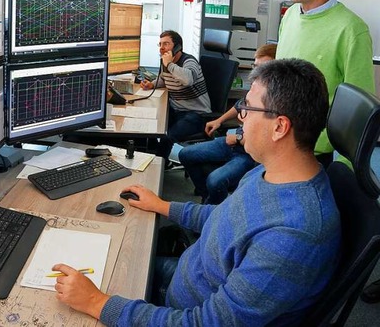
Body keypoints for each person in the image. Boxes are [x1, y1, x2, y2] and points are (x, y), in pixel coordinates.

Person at [51, 59, 341, 326]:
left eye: (248, 108)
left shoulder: (294, 235)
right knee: (103, 256)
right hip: (185, 278)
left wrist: (97, 303)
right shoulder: (269, 171)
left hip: (181, 311)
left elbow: (205, 323)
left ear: (279, 127)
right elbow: (226, 217)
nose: (241, 117)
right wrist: (163, 206)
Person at [277, 0, 375, 166]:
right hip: (279, 142)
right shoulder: (290, 15)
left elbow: (360, 112)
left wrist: (346, 170)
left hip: (315, 154)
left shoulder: (352, 29)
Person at [179, 43, 277, 204]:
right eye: (255, 66)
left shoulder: (277, 99)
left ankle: (214, 210)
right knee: (185, 154)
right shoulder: (258, 87)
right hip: (233, 141)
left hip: (249, 153)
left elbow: (267, 139)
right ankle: (208, 199)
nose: (257, 72)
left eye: (263, 67)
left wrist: (238, 138)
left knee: (215, 181)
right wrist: (219, 120)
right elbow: (240, 105)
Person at [140, 30, 211, 164]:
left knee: (168, 136)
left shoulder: (189, 61)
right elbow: (164, 79)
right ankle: (154, 155)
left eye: (166, 44)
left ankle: (159, 165)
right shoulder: (167, 63)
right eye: (160, 44)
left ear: (177, 46)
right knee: (150, 125)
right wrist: (152, 84)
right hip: (176, 110)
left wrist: (169, 65)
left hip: (196, 113)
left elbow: (188, 79)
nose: (161, 48)